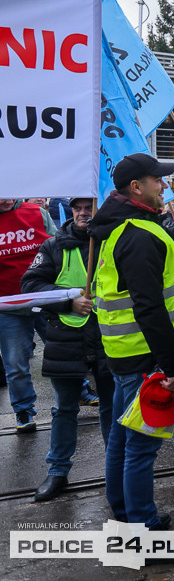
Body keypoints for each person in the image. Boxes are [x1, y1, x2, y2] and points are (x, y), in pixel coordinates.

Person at [90, 153, 174, 562]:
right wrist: (171, 367)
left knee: (121, 441)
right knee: (140, 447)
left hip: (126, 354)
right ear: (137, 187)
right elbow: (148, 306)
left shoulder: (120, 228)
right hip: (145, 358)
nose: (164, 186)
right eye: (158, 180)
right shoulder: (138, 234)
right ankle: (142, 536)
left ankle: (126, 516)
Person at [21, 198, 113, 501]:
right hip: (66, 340)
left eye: (90, 207)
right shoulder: (53, 246)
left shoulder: (113, 240)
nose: (84, 213)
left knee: (112, 409)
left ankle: (117, 472)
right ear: (71, 211)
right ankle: (58, 471)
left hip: (109, 339)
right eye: (78, 208)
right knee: (64, 409)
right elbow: (30, 285)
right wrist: (68, 300)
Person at [0, 198, 54, 432]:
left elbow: (57, 246)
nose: (6, 199)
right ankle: (23, 409)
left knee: (63, 349)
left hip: (45, 297)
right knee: (15, 362)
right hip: (8, 305)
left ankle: (79, 388)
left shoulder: (37, 213)